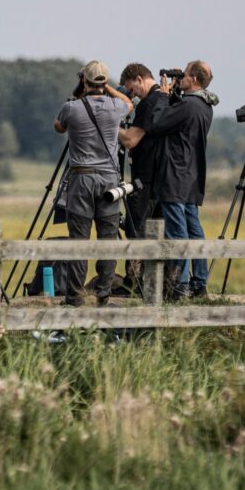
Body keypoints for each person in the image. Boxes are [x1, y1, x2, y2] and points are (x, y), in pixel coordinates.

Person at [125, 60, 217, 299]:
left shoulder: (188, 105)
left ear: (194, 79)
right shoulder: (205, 106)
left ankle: (180, 286)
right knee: (194, 230)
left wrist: (165, 96)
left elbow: (156, 122)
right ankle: (200, 282)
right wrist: (174, 95)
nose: (181, 78)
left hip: (174, 177)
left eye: (184, 75)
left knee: (177, 233)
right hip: (191, 176)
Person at [53, 60, 133, 307]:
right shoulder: (116, 106)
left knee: (79, 239)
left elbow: (58, 127)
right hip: (109, 179)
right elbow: (129, 104)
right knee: (108, 238)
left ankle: (75, 296)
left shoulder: (72, 107)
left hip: (81, 179)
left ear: (84, 81)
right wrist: (108, 88)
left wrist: (81, 91)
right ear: (105, 82)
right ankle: (103, 293)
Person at [117, 63, 168, 291]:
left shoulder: (149, 103)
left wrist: (108, 126)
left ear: (139, 79)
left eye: (132, 88)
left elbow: (130, 140)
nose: (132, 93)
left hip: (144, 178)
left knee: (135, 230)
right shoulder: (165, 99)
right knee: (159, 232)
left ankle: (133, 284)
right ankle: (157, 285)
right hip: (163, 178)